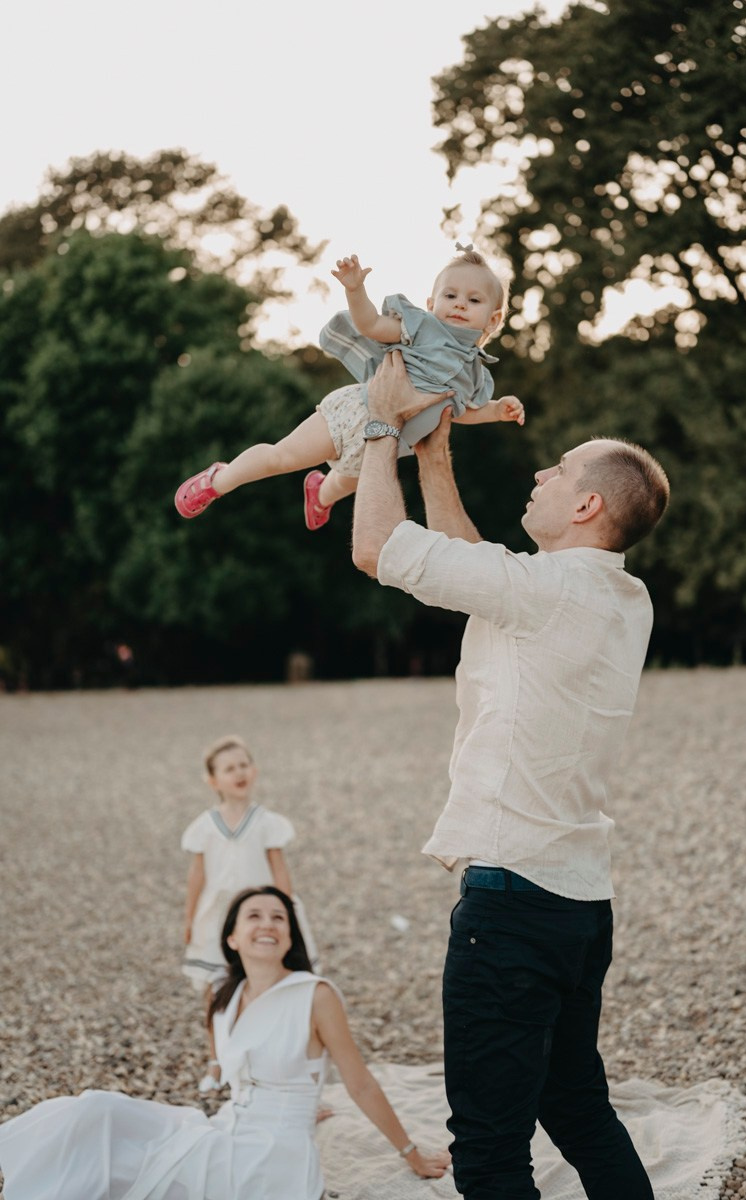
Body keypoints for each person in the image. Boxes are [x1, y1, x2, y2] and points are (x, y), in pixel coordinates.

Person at [350, 352, 670, 1199]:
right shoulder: (613, 597)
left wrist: (381, 421)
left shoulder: (545, 593)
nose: (540, 470)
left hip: (513, 909)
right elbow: (475, 574)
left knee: (489, 1152)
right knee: (578, 1107)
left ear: (587, 504)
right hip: (578, 904)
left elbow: (377, 547)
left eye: (558, 470)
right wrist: (433, 455)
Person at [0, 887, 450, 1199]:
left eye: (279, 917)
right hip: (223, 1125)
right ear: (233, 937)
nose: (268, 923)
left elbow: (360, 1083)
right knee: (95, 1109)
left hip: (272, 1154)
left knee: (130, 1170)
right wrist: (303, 1096)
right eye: (253, 916)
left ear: (289, 936)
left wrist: (411, 1154)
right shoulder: (223, 997)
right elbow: (245, 1075)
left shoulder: (315, 994)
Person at [174, 247, 524, 528]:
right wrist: (356, 291)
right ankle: (219, 480)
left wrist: (497, 411)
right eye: (451, 295)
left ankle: (319, 495)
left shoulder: (476, 373)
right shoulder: (421, 329)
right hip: (356, 414)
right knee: (284, 457)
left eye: (474, 300)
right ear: (432, 304)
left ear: (493, 319)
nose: (461, 303)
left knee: (343, 482)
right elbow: (370, 324)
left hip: (387, 444)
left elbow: (459, 413)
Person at [182, 734, 318, 1093]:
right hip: (217, 917)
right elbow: (197, 875)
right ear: (213, 781)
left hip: (261, 914)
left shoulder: (266, 821)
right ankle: (215, 1061)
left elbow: (279, 868)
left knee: (277, 981)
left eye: (243, 765)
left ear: (253, 770)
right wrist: (189, 918)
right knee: (216, 987)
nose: (239, 773)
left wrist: (285, 911)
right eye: (229, 768)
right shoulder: (204, 825)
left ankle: (280, 1059)